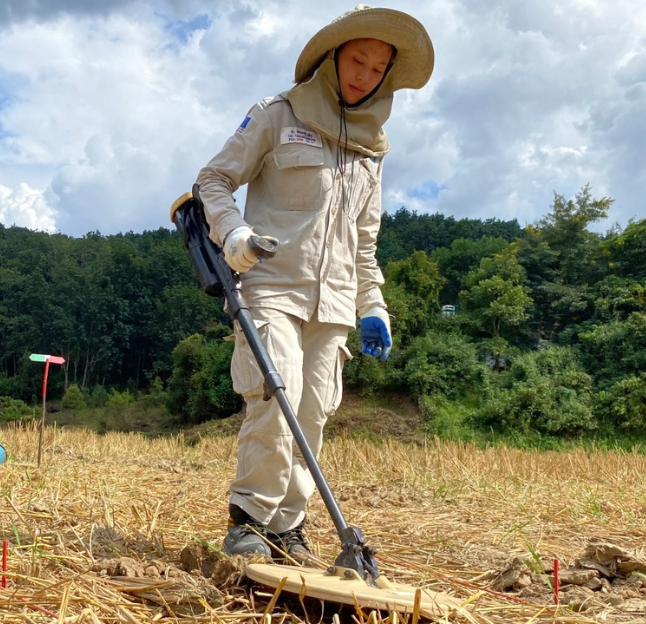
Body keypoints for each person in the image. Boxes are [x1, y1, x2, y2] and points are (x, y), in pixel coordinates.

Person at [195, 5, 435, 561]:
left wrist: (374, 305)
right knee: (279, 398)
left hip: (334, 303)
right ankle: (249, 522)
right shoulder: (277, 115)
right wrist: (233, 235)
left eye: (378, 68)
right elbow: (213, 179)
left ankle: (286, 528)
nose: (364, 74)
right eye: (357, 59)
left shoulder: (372, 150)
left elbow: (365, 243)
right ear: (333, 56)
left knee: (313, 413)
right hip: (271, 283)